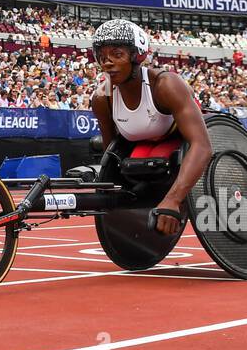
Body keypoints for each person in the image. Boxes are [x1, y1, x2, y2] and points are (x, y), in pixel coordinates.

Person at [87, 19, 211, 237]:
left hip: (181, 138)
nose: (107, 63)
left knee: (163, 160)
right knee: (132, 166)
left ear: (137, 56)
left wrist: (173, 199)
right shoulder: (101, 99)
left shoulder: (165, 85)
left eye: (117, 54)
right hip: (145, 143)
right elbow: (112, 152)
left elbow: (202, 145)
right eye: (102, 56)